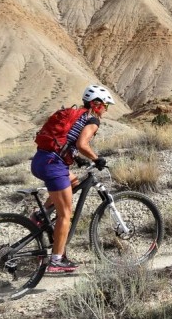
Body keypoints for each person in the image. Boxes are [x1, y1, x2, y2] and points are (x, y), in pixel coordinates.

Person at [30, 84, 115, 273]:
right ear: (97, 104)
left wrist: (76, 158)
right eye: (106, 106)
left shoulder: (77, 115)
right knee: (65, 214)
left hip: (41, 159)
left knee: (74, 181)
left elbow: (68, 142)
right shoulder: (92, 119)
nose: (106, 110)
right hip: (54, 164)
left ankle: (40, 216)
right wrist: (96, 159)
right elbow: (82, 143)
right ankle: (57, 260)